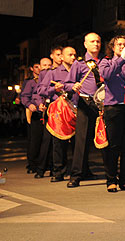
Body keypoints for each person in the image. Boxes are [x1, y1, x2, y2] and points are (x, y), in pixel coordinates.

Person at [98, 36, 125, 193]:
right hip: (114, 107)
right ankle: (111, 180)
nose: (122, 47)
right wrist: (121, 60)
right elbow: (107, 75)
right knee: (113, 145)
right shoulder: (106, 62)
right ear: (113, 47)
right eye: (119, 44)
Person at [64, 32, 104, 188]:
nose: (96, 44)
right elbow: (68, 83)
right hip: (85, 104)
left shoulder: (105, 61)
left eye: (98, 41)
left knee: (104, 140)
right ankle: (76, 175)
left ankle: (110, 175)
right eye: (92, 41)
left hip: (102, 104)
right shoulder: (79, 64)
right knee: (81, 141)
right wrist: (73, 86)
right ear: (85, 44)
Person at [37, 46, 77, 182]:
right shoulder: (53, 73)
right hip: (59, 111)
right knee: (59, 142)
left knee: (79, 143)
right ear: (61, 57)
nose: (73, 58)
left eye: (75, 55)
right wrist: (54, 89)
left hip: (76, 110)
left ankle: (79, 171)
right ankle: (58, 171)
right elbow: (41, 89)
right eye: (70, 55)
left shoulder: (79, 70)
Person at [20, 60, 43, 174]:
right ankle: (32, 164)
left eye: (41, 66)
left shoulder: (47, 79)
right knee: (34, 140)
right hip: (34, 113)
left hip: (46, 112)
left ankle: (44, 163)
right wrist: (29, 105)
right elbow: (24, 96)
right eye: (36, 67)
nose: (39, 69)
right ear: (32, 69)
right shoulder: (29, 82)